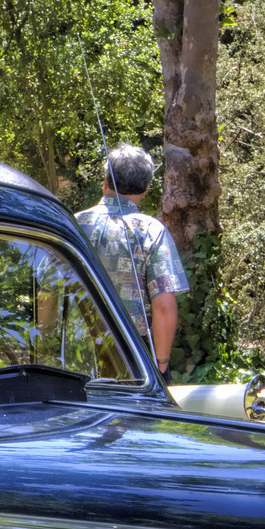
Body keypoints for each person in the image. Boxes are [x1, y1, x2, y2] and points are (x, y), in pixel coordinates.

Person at [75, 145, 188, 374]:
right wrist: (161, 365)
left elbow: (48, 291)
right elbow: (164, 306)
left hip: (75, 352)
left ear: (105, 182)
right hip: (133, 356)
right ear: (145, 189)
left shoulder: (74, 224)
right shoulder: (152, 231)